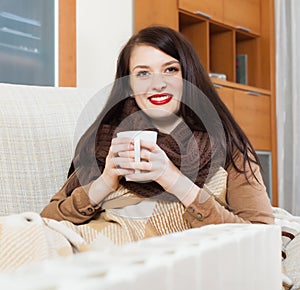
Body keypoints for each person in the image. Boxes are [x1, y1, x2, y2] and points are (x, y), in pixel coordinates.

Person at [40, 25, 274, 243]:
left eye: (170, 70)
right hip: (92, 251)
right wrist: (106, 181)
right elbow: (47, 220)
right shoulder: (105, 142)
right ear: (129, 86)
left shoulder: (226, 144)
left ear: (187, 78)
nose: (158, 84)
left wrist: (174, 180)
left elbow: (262, 237)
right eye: (143, 74)